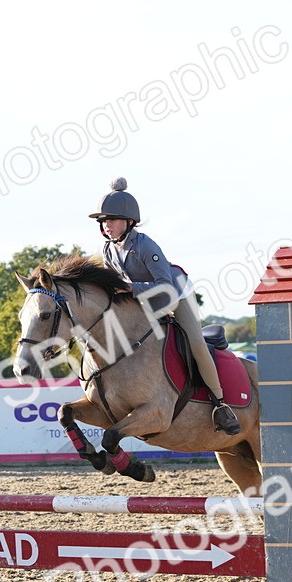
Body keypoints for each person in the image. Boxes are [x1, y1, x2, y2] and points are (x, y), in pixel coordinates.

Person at [89, 177, 240, 435]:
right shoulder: (108, 250)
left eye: (111, 219)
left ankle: (221, 404)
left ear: (129, 221)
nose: (106, 225)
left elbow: (166, 287)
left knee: (195, 344)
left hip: (176, 296)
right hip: (145, 302)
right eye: (103, 221)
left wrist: (132, 288)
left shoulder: (145, 245)